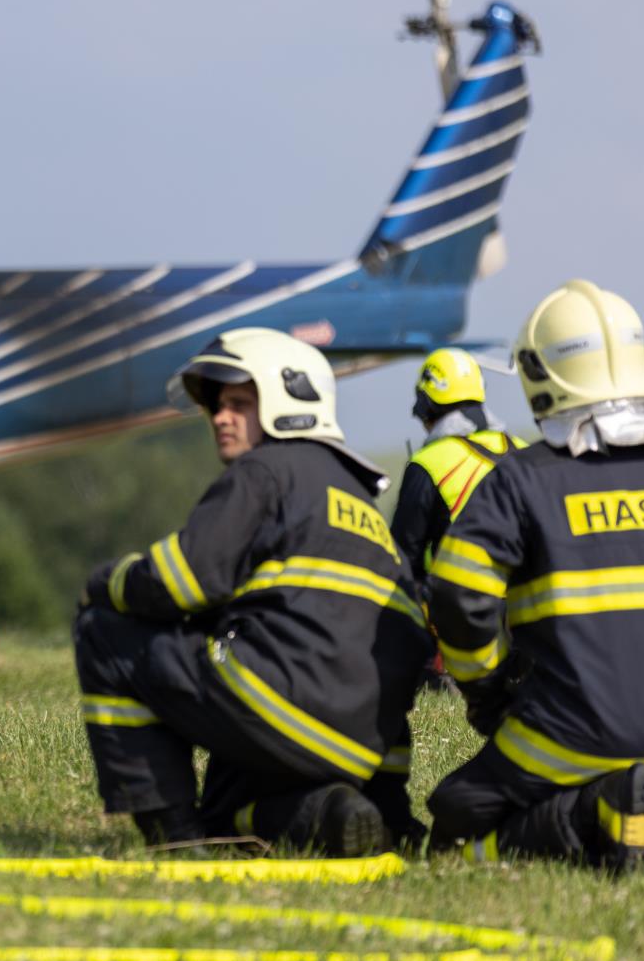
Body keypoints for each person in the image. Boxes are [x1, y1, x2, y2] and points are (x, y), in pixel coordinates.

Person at [74, 327, 433, 856]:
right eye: (217, 405)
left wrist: (106, 581)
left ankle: (173, 841)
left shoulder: (265, 471)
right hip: (363, 747)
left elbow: (182, 581)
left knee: (105, 633)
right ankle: (335, 816)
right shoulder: (356, 498)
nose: (220, 416)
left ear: (289, 400)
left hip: (278, 704)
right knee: (226, 815)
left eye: (239, 403)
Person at [425, 279, 644, 871]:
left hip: (576, 726)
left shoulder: (523, 479)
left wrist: (487, 691)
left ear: (538, 373)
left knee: (453, 818)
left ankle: (591, 815)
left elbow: (457, 595)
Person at [390, 348, 524, 689]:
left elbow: (403, 560)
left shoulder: (430, 462)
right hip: (530, 623)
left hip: (464, 623)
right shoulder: (523, 450)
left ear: (428, 406)